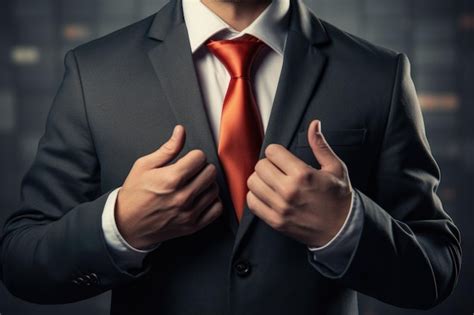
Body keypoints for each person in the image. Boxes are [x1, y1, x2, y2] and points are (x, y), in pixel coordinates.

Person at [0, 0, 461, 314]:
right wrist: (119, 227)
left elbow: (437, 269)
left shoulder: (378, 73)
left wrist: (347, 227)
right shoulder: (93, 72)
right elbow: (21, 261)